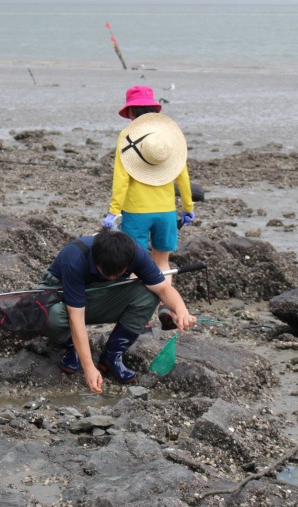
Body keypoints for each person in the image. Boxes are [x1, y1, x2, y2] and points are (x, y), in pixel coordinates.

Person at [40, 228, 196, 394]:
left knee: (149, 294)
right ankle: (72, 349)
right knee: (51, 315)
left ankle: (111, 356)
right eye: (106, 273)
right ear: (96, 259)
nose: (112, 277)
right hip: (61, 294)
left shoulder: (134, 253)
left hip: (102, 294)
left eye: (118, 274)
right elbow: (75, 317)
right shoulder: (76, 257)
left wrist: (181, 311)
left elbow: (163, 289)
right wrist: (89, 368)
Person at [103, 85, 196, 329]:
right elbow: (183, 175)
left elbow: (121, 179)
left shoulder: (127, 137)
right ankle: (165, 308)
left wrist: (114, 211)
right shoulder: (169, 138)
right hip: (166, 211)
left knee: (135, 264)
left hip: (136, 211)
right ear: (154, 109)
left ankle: (140, 315)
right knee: (162, 262)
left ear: (131, 111)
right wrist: (187, 207)